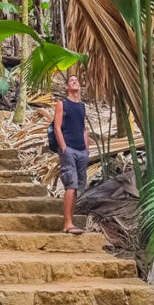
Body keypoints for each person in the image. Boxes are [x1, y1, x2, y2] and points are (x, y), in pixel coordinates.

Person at [53, 74, 89, 234]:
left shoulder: (81, 106)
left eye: (77, 80)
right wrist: (64, 147)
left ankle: (71, 222)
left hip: (82, 151)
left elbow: (84, 129)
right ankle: (67, 224)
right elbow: (57, 127)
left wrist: (87, 150)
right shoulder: (62, 104)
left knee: (77, 187)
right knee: (71, 184)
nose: (75, 82)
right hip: (69, 149)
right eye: (71, 81)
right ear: (67, 87)